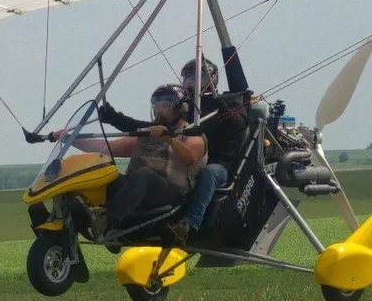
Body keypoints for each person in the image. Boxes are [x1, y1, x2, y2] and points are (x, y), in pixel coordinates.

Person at [99, 49, 250, 243]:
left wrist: (222, 105)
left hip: (220, 162)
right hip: (193, 163)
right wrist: (112, 117)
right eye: (187, 77)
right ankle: (105, 219)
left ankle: (189, 223)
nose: (191, 82)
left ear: (212, 78)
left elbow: (239, 123)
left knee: (208, 173)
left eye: (197, 77)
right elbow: (148, 128)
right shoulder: (185, 107)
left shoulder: (226, 103)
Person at [53, 83, 207, 237]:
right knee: (108, 176)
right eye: (157, 105)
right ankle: (72, 214)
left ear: (181, 108)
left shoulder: (192, 133)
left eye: (166, 105)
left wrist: (169, 139)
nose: (160, 110)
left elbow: (191, 158)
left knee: (143, 174)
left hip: (173, 194)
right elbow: (109, 148)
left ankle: (106, 221)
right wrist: (70, 139)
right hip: (139, 188)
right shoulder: (147, 133)